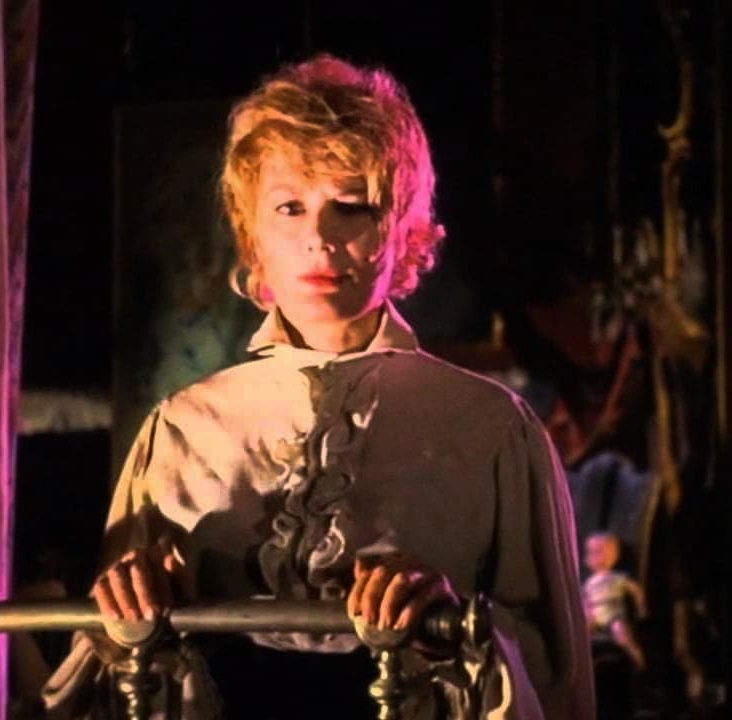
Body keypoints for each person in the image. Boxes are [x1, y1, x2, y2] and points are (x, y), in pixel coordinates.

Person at [42, 54, 594, 719]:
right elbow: (111, 672)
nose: (319, 240)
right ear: (252, 234)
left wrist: (450, 623)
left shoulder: (491, 429)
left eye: (352, 207)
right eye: (290, 207)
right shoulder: (183, 428)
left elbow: (554, 669)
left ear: (404, 229)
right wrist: (127, 612)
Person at [582, 532, 647, 671]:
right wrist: (587, 613)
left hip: (613, 614)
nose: (593, 557)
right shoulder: (590, 582)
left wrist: (641, 608)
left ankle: (639, 660)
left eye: (598, 552)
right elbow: (586, 600)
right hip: (596, 615)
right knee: (582, 635)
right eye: (591, 552)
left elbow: (635, 590)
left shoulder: (616, 577)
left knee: (620, 631)